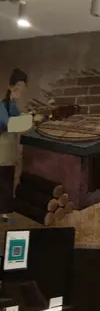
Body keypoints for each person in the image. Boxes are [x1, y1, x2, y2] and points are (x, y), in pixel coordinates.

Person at [0, 69, 42, 223]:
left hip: (8, 154)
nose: (20, 91)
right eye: (17, 87)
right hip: (1, 154)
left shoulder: (12, 105)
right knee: (2, 184)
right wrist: (31, 119)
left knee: (7, 184)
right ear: (11, 87)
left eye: (22, 88)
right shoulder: (2, 106)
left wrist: (33, 119)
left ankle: (3, 215)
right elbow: (11, 124)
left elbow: (21, 121)